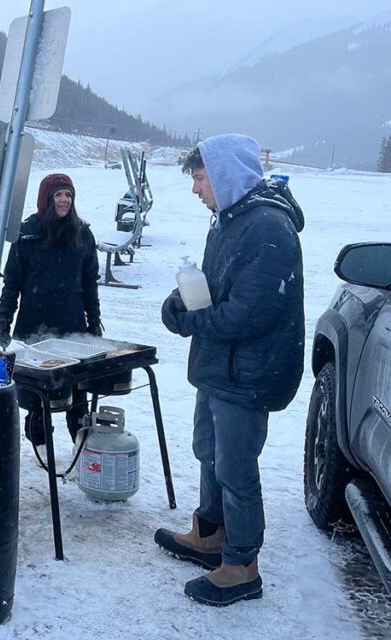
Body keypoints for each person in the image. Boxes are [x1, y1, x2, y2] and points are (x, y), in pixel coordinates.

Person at [155, 134, 305, 606]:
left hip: (250, 373)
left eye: (200, 178)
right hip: (220, 365)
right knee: (209, 451)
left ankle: (241, 565)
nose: (196, 189)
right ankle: (210, 534)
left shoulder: (267, 228)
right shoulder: (228, 222)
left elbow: (249, 313)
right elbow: (212, 289)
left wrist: (191, 322)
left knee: (236, 468)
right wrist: (181, 303)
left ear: (225, 175)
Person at [0, 173, 102, 448]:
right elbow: (12, 282)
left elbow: (90, 283)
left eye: (68, 195)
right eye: (58, 195)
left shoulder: (83, 233)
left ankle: (81, 445)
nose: (64, 200)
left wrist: (95, 322)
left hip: (72, 327)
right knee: (39, 397)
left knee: (77, 394)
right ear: (46, 199)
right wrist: (4, 320)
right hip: (35, 327)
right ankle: (41, 448)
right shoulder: (28, 233)